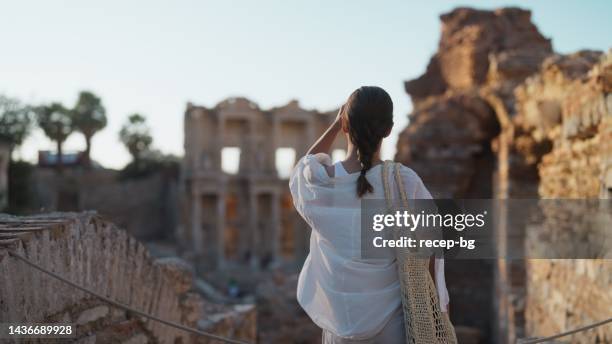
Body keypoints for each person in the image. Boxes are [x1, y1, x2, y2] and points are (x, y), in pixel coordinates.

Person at [289, 86, 449, 343]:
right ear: (389, 129)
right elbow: (429, 246)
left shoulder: (324, 183)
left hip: (339, 326)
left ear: (345, 126)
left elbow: (302, 169)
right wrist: (434, 305)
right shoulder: (402, 181)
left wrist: (334, 125)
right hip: (392, 324)